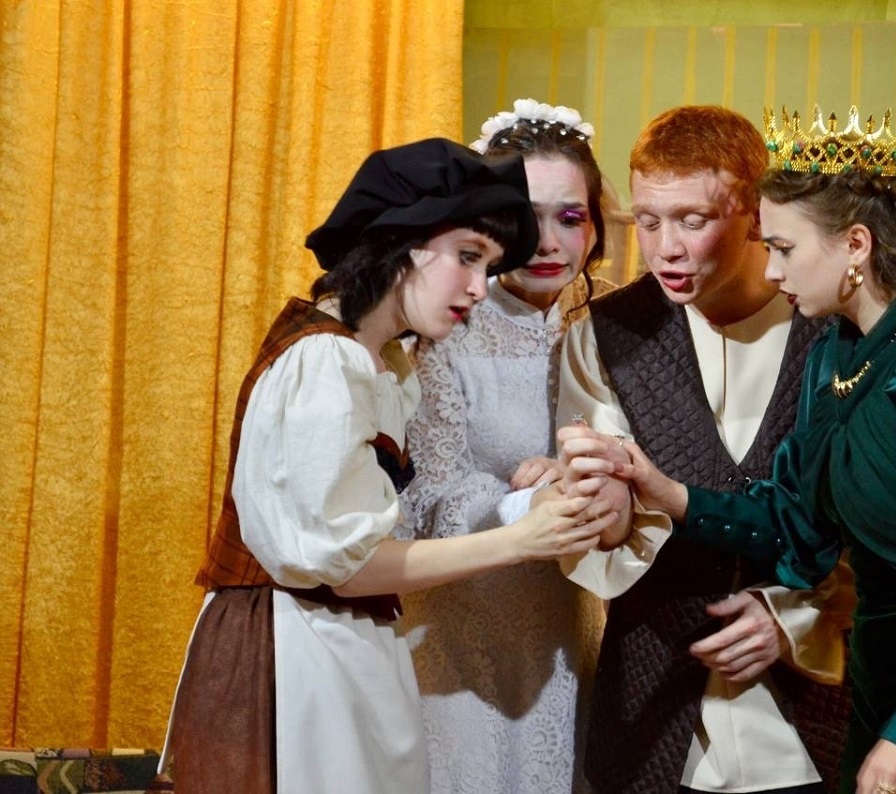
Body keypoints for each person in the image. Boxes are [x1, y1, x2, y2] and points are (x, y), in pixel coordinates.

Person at [565, 106, 896, 794]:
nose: (771, 268)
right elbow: (793, 521)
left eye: (783, 248)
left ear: (855, 246)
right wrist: (667, 494)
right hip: (877, 690)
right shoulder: (837, 354)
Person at [160, 138, 618, 794]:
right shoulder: (326, 360)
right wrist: (520, 538)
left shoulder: (379, 359)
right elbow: (347, 568)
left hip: (343, 645)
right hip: (296, 652)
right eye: (467, 257)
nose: (478, 288)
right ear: (402, 243)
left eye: (487, 266)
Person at [554, 105, 854, 794]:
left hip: (812, 725)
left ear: (754, 214)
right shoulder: (602, 336)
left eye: (693, 220)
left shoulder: (836, 330)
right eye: (648, 220)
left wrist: (798, 619)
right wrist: (587, 503)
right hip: (652, 720)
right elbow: (603, 538)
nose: (665, 247)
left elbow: (888, 527)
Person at [395, 99, 615, 794]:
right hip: (462, 632)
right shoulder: (446, 325)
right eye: (524, 217)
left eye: (570, 218)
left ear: (595, 225)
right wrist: (528, 504)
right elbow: (424, 501)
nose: (547, 242)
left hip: (569, 628)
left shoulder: (613, 322)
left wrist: (600, 471)